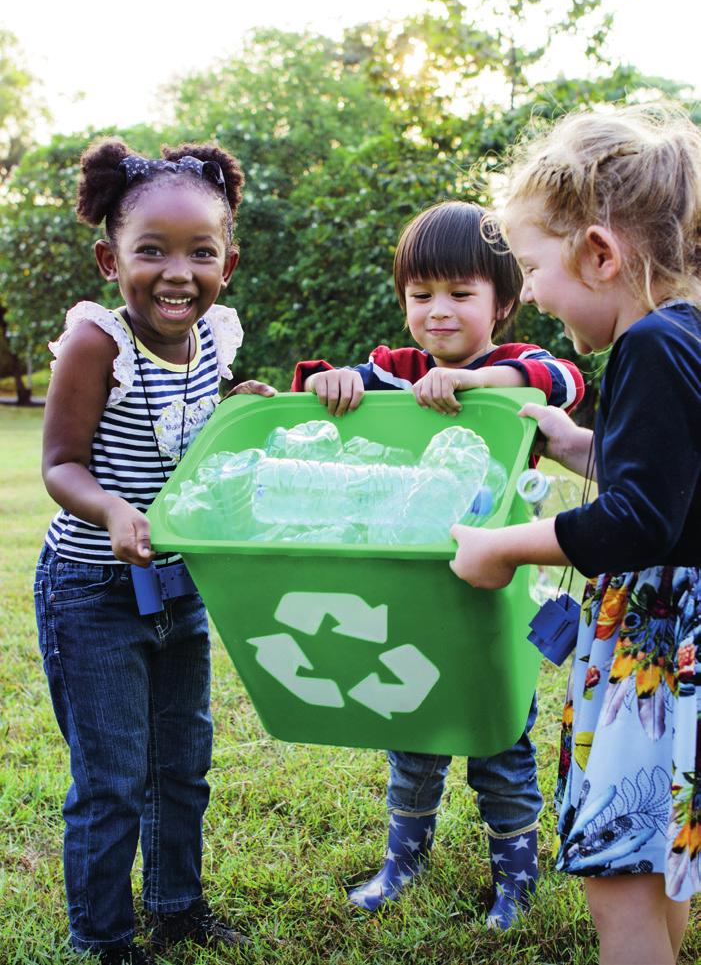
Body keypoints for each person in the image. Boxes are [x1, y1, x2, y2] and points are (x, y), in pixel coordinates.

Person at [450, 105, 701, 965]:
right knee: (656, 859)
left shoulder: (647, 347)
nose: (534, 294)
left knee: (621, 874)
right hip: (685, 643)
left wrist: (503, 544)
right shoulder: (689, 335)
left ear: (599, 252)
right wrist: (577, 443)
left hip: (657, 646)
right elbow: (673, 481)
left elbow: (637, 520)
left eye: (531, 267)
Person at [292, 200, 585, 927]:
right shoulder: (400, 371)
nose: (438, 311)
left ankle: (514, 877)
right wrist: (334, 383)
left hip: (496, 591)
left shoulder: (513, 369)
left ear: (504, 302)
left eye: (460, 294)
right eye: (420, 295)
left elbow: (560, 381)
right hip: (411, 588)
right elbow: (326, 387)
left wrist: (470, 383)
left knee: (498, 736)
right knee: (412, 721)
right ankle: (403, 858)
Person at [36, 138, 275, 964]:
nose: (178, 272)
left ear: (228, 262)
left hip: (179, 585)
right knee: (111, 780)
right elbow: (61, 464)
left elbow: (185, 448)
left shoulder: (215, 339)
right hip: (94, 589)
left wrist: (237, 413)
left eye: (200, 252)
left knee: (183, 762)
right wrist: (110, 509)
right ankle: (102, 938)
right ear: (111, 259)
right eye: (152, 251)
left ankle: (177, 907)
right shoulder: (94, 343)